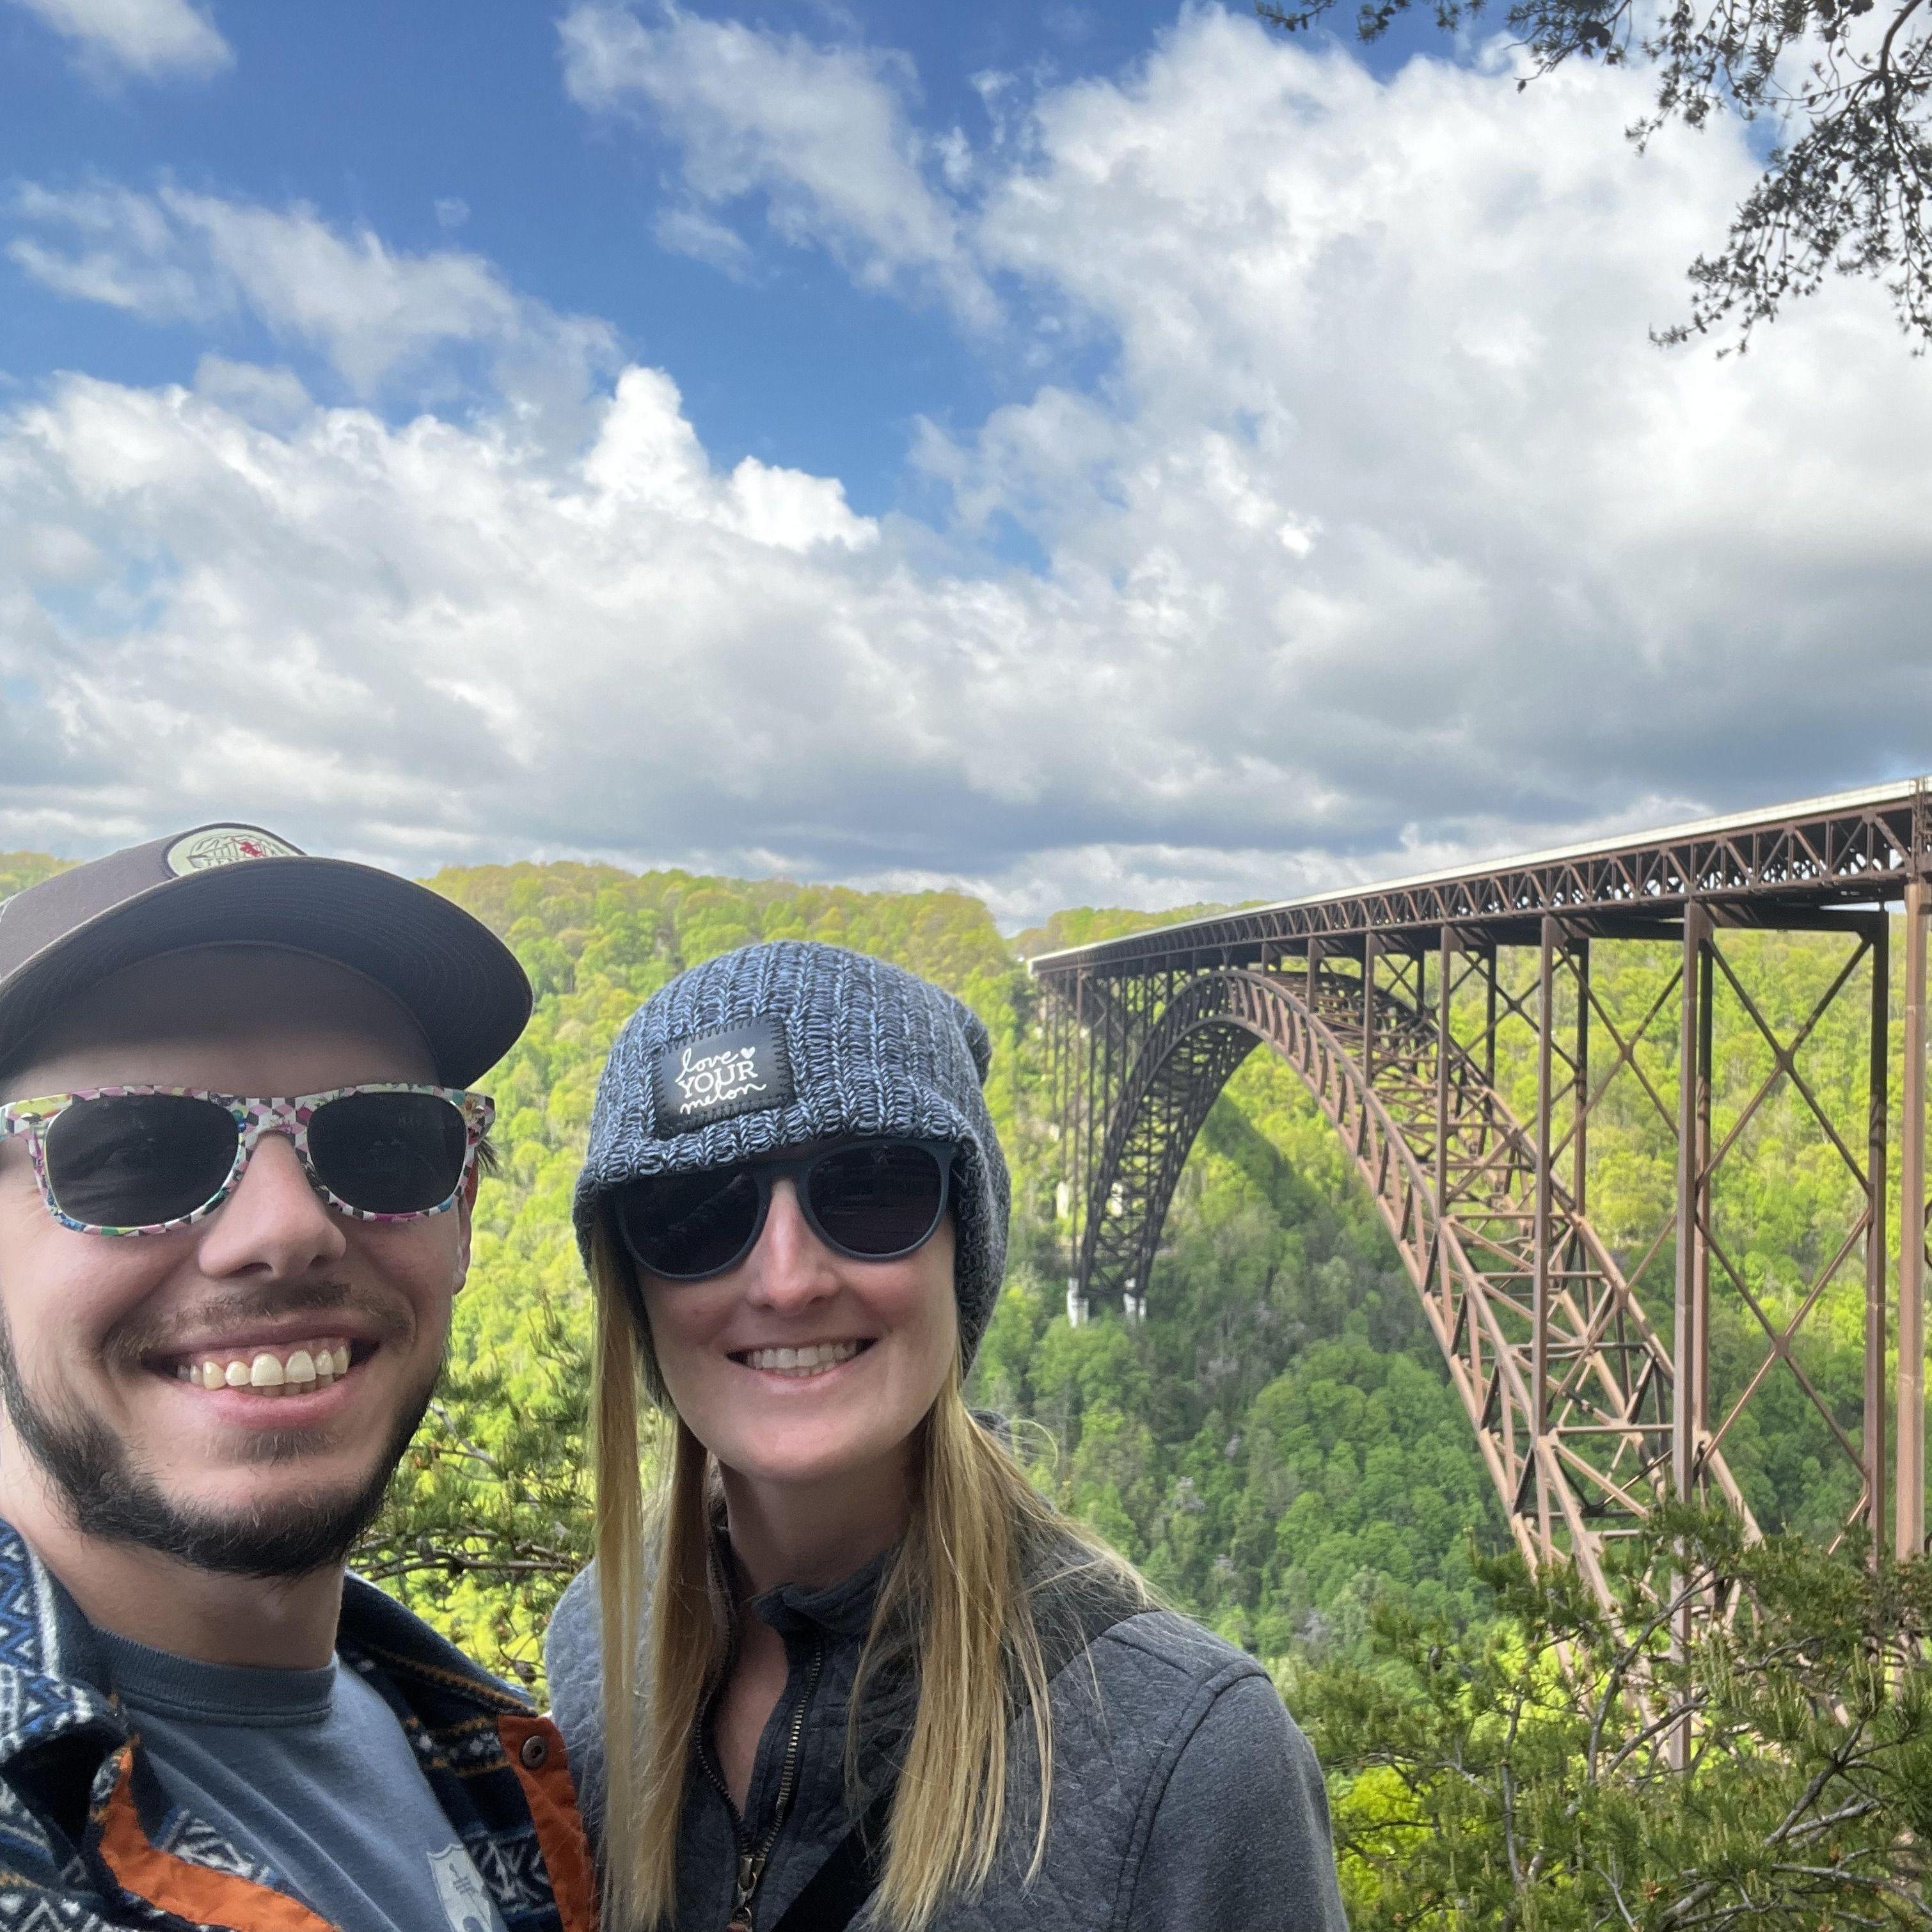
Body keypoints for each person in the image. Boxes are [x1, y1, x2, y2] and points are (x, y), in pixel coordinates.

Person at [546, 940, 1347, 1932]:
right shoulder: (599, 1640)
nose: (788, 1279)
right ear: (636, 1293)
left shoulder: (1192, 1755)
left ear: (960, 1248)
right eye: (696, 1214)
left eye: (872, 1189)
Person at [0, 823, 596, 1932]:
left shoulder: (488, 1757)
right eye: (131, 1151)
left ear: (462, 1217)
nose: (286, 1229)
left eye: (380, 1144)